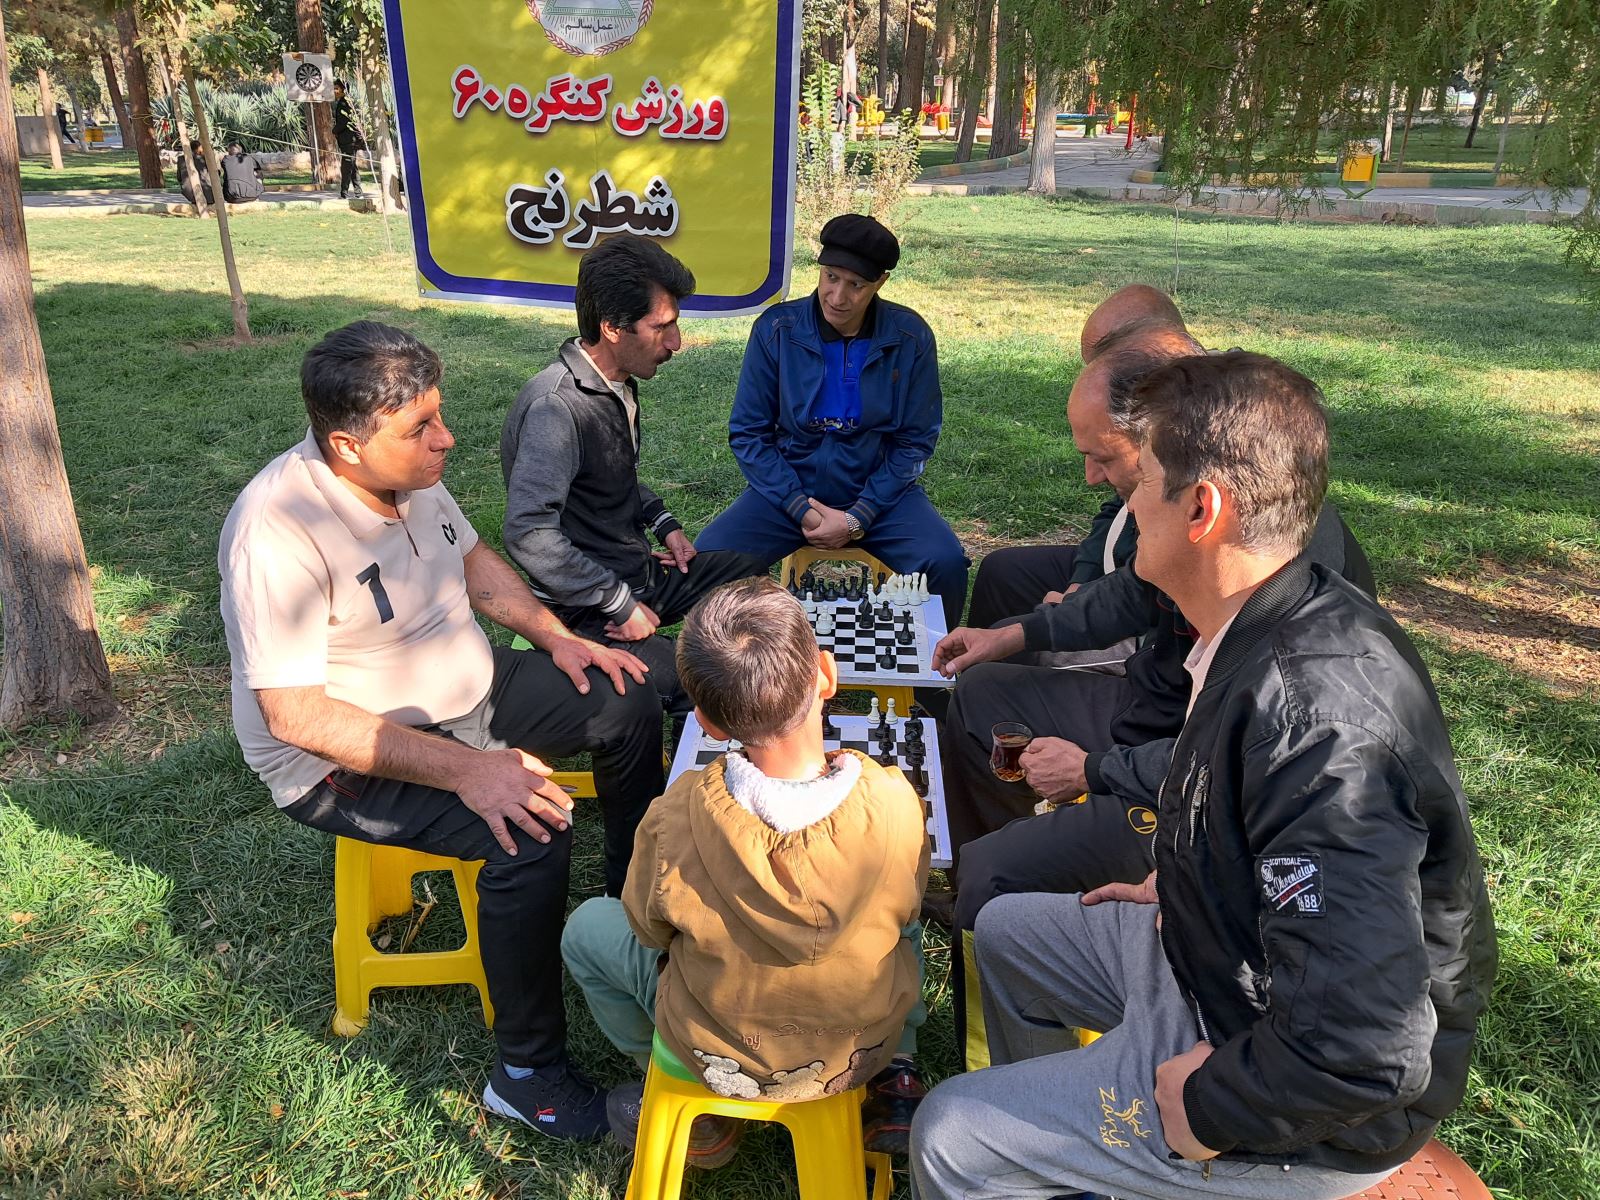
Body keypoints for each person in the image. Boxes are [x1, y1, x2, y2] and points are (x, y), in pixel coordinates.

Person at [909, 350, 1497, 1200]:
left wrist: (1208, 1105)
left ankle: (1070, 1153)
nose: (1121, 499)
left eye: (1141, 479)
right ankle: (1069, 1165)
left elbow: (1364, 1050)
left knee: (949, 1133)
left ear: (1202, 509)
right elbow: (1253, 822)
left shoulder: (1318, 729)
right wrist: (1193, 875)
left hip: (1298, 1105)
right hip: (1221, 957)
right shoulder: (1263, 615)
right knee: (1007, 933)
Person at [218, 320, 667, 1140]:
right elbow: (296, 715)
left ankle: (629, 910)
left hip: (468, 685)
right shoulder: (275, 531)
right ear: (348, 446)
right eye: (421, 426)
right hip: (341, 752)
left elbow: (475, 564)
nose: (446, 438)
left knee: (626, 696)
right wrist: (470, 771)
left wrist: (558, 638)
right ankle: (526, 1076)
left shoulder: (410, 474)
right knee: (529, 829)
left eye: (440, 414)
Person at [561, 578, 929, 1165]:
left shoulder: (675, 814)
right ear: (827, 676)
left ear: (706, 722)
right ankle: (899, 1072)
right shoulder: (893, 798)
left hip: (718, 1051)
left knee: (585, 929)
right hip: (862, 1046)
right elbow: (909, 901)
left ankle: (694, 1111)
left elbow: (648, 929)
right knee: (901, 919)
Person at [501, 235, 766, 716]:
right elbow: (528, 532)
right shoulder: (555, 409)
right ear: (612, 328)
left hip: (635, 574)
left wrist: (665, 524)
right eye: (661, 327)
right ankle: (697, 749)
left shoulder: (614, 384)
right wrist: (618, 602)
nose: (676, 342)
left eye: (675, 324)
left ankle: (725, 663)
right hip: (585, 608)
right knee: (698, 685)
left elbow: (612, 473)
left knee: (750, 574)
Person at [697, 214, 970, 628]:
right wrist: (799, 507)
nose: (838, 296)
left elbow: (915, 442)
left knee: (945, 562)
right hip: (789, 490)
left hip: (879, 494)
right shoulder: (777, 330)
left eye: (856, 285)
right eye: (830, 277)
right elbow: (749, 434)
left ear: (880, 283)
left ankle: (931, 666)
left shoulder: (910, 337)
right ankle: (736, 666)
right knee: (710, 560)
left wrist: (859, 516)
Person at [965, 284, 1187, 630]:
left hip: (1157, 616)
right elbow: (1118, 511)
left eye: (1108, 365)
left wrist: (1070, 615)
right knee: (1002, 572)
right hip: (1119, 573)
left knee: (1031, 650)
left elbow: (1147, 593)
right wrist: (1082, 581)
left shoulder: (1190, 432)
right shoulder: (1144, 423)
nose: (1090, 477)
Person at [332, 80, 364, 198]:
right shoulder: (344, 102)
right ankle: (358, 192)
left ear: (343, 90)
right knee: (352, 166)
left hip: (349, 140)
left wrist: (334, 131)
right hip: (347, 140)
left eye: (336, 88)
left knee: (346, 166)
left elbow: (344, 121)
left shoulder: (344, 103)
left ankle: (344, 193)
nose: (334, 91)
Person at [176, 140, 213, 205]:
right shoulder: (204, 158)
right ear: (198, 148)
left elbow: (179, 177)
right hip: (206, 193)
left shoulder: (181, 159)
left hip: (188, 193)